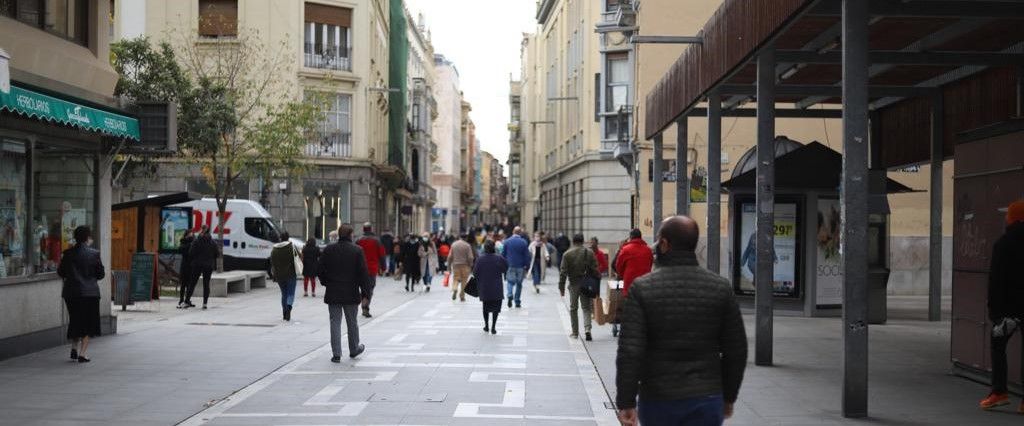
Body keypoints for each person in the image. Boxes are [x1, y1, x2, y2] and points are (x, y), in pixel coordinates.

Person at [615, 216, 747, 426]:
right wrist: (729, 396)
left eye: (658, 240)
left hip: (658, 398)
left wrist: (626, 401)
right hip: (707, 396)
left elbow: (630, 351)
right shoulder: (720, 287)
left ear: (665, 244)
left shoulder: (642, 288)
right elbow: (736, 350)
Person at [979, 199, 1024, 413]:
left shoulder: (1003, 244)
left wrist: (995, 312)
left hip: (1008, 310)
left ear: (1013, 218)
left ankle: (999, 392)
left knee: (998, 347)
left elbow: (996, 281)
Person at [317, 224, 370, 362]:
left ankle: (336, 354)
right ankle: (354, 349)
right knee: (352, 322)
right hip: (351, 293)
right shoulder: (357, 250)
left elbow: (320, 270)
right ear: (350, 235)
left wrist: (326, 282)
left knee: (335, 323)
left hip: (333, 291)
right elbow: (363, 274)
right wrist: (366, 294)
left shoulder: (329, 249)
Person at [58, 226, 105, 363]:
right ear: (87, 238)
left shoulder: (67, 253)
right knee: (87, 323)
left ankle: (74, 347)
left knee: (75, 319)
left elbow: (61, 272)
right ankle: (82, 354)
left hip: (71, 292)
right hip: (90, 293)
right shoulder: (94, 254)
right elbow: (101, 274)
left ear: (75, 237)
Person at [559, 233, 599, 341]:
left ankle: (575, 332)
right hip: (586, 283)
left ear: (573, 241)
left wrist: (561, 288)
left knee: (573, 308)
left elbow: (563, 273)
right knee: (586, 308)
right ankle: (587, 329)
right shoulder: (589, 252)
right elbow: (595, 269)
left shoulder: (567, 254)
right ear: (583, 241)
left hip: (574, 284)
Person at [474, 240, 508, 334]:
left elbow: (475, 272)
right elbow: (505, 268)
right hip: (496, 287)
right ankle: (493, 327)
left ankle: (486, 326)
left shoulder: (480, 259)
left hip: (485, 287)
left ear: (484, 248)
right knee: (496, 308)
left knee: (486, 307)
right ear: (494, 247)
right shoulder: (499, 258)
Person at [356, 223, 386, 317]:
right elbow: (382, 255)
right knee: (370, 288)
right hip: (372, 268)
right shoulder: (377, 241)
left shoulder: (358, 240)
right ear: (371, 229)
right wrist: (383, 267)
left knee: (362, 287)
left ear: (364, 229)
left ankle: (363, 299)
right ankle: (365, 305)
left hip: (359, 268)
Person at [614, 229, 654, 297]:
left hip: (630, 285)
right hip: (645, 284)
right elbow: (650, 265)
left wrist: (622, 275)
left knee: (630, 305)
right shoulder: (648, 250)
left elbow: (618, 266)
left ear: (631, 237)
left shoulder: (625, 249)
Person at [270, 232, 300, 321]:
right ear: (288, 238)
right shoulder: (291, 247)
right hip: (291, 274)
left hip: (279, 276)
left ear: (280, 238)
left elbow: (272, 263)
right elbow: (298, 257)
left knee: (284, 293)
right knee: (291, 293)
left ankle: (284, 312)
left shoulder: (274, 249)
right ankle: (289, 307)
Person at [187, 225, 218, 309]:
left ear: (201, 231)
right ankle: (205, 303)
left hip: (197, 264)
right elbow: (217, 254)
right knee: (206, 283)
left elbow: (191, 252)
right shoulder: (213, 242)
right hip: (208, 265)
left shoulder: (197, 241)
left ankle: (187, 300)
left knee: (193, 282)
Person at [502, 227, 531, 308]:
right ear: (520, 233)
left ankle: (510, 294)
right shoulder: (523, 242)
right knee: (519, 284)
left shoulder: (507, 241)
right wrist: (527, 266)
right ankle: (517, 301)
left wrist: (503, 264)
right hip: (520, 266)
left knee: (510, 282)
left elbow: (503, 254)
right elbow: (527, 256)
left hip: (510, 265)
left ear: (513, 232)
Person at [449, 233, 476, 302]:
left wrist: (449, 266)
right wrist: (471, 265)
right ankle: (462, 296)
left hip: (455, 265)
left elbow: (450, 256)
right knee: (464, 281)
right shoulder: (467, 245)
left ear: (460, 237)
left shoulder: (454, 244)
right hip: (465, 266)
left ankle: (455, 288)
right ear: (466, 238)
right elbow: (470, 257)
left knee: (456, 279)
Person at [177, 230, 195, 309]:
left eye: (192, 234)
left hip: (191, 265)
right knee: (183, 284)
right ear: (186, 235)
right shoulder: (184, 242)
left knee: (189, 284)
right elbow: (181, 250)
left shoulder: (194, 242)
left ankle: (187, 300)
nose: (191, 235)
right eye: (190, 234)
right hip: (185, 265)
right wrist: (189, 244)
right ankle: (181, 300)